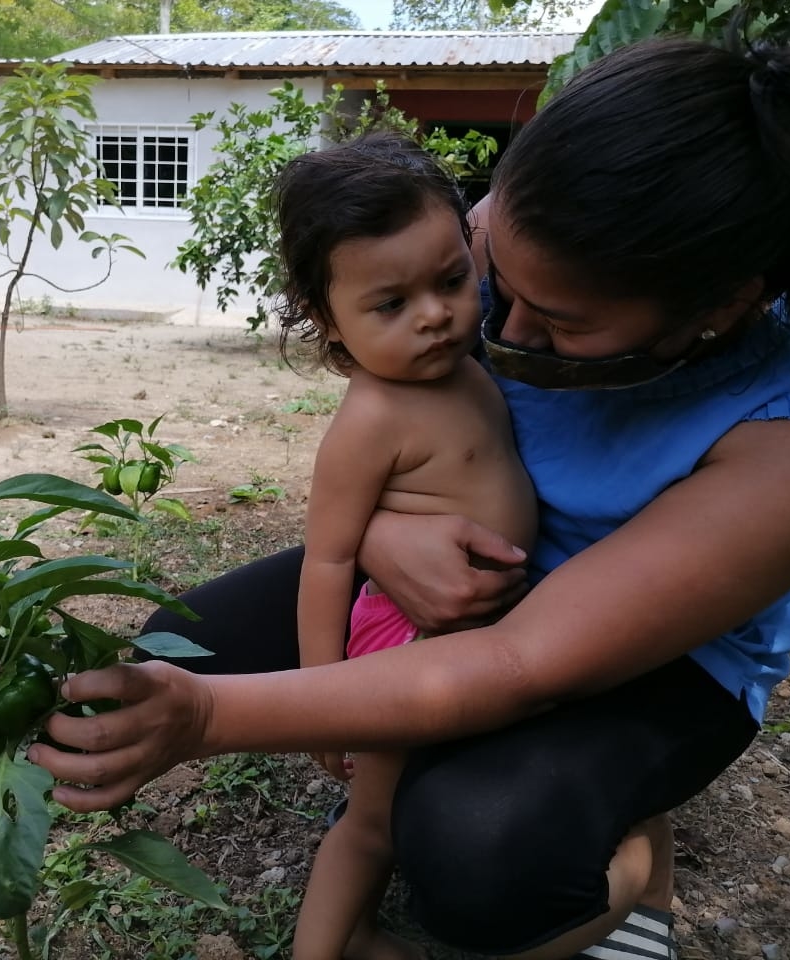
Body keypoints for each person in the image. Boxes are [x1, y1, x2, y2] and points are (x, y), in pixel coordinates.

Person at [30, 34, 790, 960]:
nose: (501, 330)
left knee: (475, 845)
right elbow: (403, 419)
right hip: (485, 561)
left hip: (656, 651)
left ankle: (638, 859)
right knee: (193, 641)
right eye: (495, 280)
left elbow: (522, 662)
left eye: (560, 322)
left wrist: (209, 719)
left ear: (722, 306)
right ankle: (431, 763)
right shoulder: (518, 232)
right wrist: (381, 533)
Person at [271, 132, 537, 960]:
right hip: (408, 638)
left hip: (478, 636)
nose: (434, 315)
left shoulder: (470, 365)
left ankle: (362, 930)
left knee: (419, 793)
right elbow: (327, 560)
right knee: (371, 821)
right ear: (327, 318)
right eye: (390, 305)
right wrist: (323, 696)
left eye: (452, 281)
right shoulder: (372, 418)